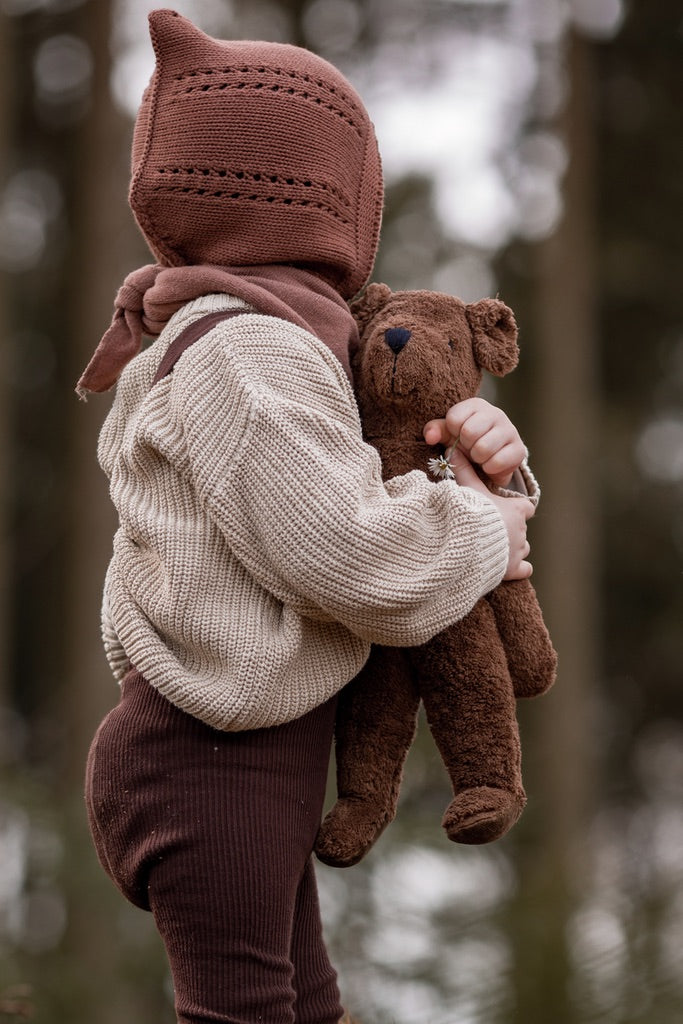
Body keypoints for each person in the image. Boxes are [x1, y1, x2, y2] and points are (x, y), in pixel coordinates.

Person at [80, 10, 535, 1024]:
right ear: (324, 192)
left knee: (303, 1008)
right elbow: (340, 554)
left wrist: (487, 476)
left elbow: (353, 487)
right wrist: (477, 532)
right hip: (208, 759)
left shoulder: (264, 337)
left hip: (242, 752)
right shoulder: (252, 350)